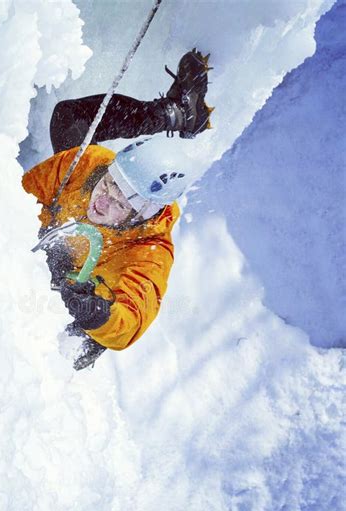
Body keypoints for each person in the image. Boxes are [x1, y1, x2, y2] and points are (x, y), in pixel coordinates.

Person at [22, 50, 213, 369]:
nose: (103, 200)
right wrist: (40, 236)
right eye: (109, 184)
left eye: (121, 203)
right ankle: (174, 113)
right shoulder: (91, 165)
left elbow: (132, 318)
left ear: (143, 214)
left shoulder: (149, 252)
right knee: (69, 118)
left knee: (75, 344)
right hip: (57, 244)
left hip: (84, 297)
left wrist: (94, 312)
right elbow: (25, 193)